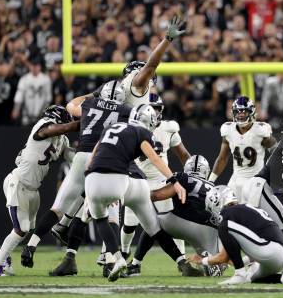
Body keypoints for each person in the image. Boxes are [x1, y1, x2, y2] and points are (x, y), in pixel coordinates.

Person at [20, 80, 128, 273]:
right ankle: (111, 260)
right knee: (110, 215)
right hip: (104, 159)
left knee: (58, 207)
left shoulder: (89, 104)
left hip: (81, 157)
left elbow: (70, 106)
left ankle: (30, 246)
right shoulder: (125, 111)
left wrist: (92, 95)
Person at [83, 104, 201, 281]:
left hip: (94, 179)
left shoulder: (111, 127)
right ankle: (181, 262)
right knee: (154, 228)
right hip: (130, 182)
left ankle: (117, 259)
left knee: (101, 219)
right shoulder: (142, 132)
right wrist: (174, 181)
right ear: (150, 122)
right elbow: (154, 157)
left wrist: (88, 184)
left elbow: (94, 154)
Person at [0, 106, 78, 276]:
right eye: (67, 120)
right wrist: (83, 123)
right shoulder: (43, 125)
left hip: (33, 189)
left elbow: (72, 157)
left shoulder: (62, 140)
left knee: (26, 229)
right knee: (21, 229)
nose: (68, 123)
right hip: (18, 183)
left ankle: (3, 253)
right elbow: (60, 128)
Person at [120, 94, 191, 262]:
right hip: (138, 180)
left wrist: (192, 175)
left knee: (171, 222)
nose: (153, 112)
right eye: (150, 108)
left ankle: (182, 258)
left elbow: (184, 155)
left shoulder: (168, 128)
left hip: (161, 182)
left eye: (157, 109)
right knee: (130, 225)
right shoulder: (133, 128)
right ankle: (124, 252)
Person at [128, 155, 221, 277]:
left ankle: (135, 265)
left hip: (180, 221)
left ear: (187, 168)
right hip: (208, 231)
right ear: (206, 171)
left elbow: (158, 195)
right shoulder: (215, 189)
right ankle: (210, 261)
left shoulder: (184, 178)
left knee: (152, 224)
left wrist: (135, 195)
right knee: (217, 259)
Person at [195, 185, 283, 285]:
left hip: (271, 251)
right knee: (251, 278)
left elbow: (223, 257)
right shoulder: (243, 211)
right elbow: (230, 256)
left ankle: (239, 274)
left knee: (224, 226)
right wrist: (235, 262)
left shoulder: (229, 213)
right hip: (280, 257)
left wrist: (202, 261)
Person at [209, 96, 276, 197]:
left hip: (255, 180)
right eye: (238, 111)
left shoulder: (260, 130)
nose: (240, 115)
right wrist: (210, 181)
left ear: (252, 112)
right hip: (235, 180)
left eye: (244, 112)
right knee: (225, 209)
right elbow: (222, 158)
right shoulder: (228, 130)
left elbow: (276, 152)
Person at [120, 14, 185, 107]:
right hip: (144, 93)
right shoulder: (142, 62)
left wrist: (170, 47)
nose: (154, 45)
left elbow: (180, 65)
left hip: (163, 92)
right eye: (152, 42)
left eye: (156, 42)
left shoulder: (167, 58)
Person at [12, 56, 52, 126]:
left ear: (40, 66)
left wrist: (44, 113)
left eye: (36, 65)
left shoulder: (46, 79)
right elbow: (19, 96)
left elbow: (48, 99)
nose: (35, 68)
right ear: (30, 66)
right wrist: (16, 109)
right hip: (26, 115)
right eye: (33, 65)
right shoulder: (24, 79)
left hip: (41, 115)